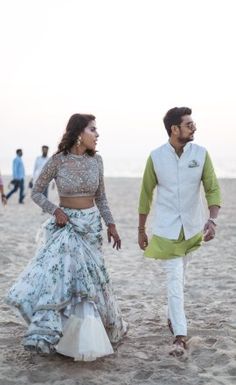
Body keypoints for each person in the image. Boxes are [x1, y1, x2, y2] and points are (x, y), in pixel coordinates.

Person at [6, 114, 127, 360]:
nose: (97, 134)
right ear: (79, 134)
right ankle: (69, 338)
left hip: (91, 226)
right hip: (66, 226)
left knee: (91, 281)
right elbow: (37, 192)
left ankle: (90, 333)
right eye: (93, 129)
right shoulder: (58, 161)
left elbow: (101, 197)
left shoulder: (98, 161)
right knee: (70, 279)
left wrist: (111, 224)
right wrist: (56, 210)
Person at [138, 107, 221, 356]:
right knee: (175, 279)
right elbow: (145, 194)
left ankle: (171, 317)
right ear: (174, 129)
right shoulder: (156, 157)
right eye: (189, 124)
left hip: (193, 228)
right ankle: (180, 336)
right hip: (166, 229)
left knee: (180, 276)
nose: (194, 127)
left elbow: (213, 189)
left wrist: (213, 220)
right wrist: (141, 229)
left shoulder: (201, 154)